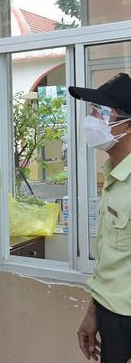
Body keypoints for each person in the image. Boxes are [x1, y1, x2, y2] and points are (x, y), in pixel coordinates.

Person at [70, 73, 131, 363]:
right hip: (111, 315)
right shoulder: (114, 175)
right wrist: (93, 313)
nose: (91, 119)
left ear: (128, 124)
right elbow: (113, 260)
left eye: (101, 112)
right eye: (92, 110)